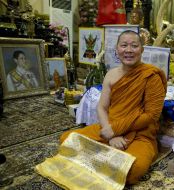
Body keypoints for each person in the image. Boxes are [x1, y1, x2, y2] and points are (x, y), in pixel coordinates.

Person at [60, 30, 167, 184]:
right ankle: (110, 158)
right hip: (109, 128)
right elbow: (102, 108)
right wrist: (111, 135)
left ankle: (100, 158)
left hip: (140, 134)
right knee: (66, 139)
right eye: (124, 45)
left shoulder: (150, 76)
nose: (128, 50)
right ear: (117, 49)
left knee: (132, 170)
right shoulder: (111, 74)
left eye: (134, 46)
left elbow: (151, 116)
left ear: (142, 50)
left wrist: (115, 130)